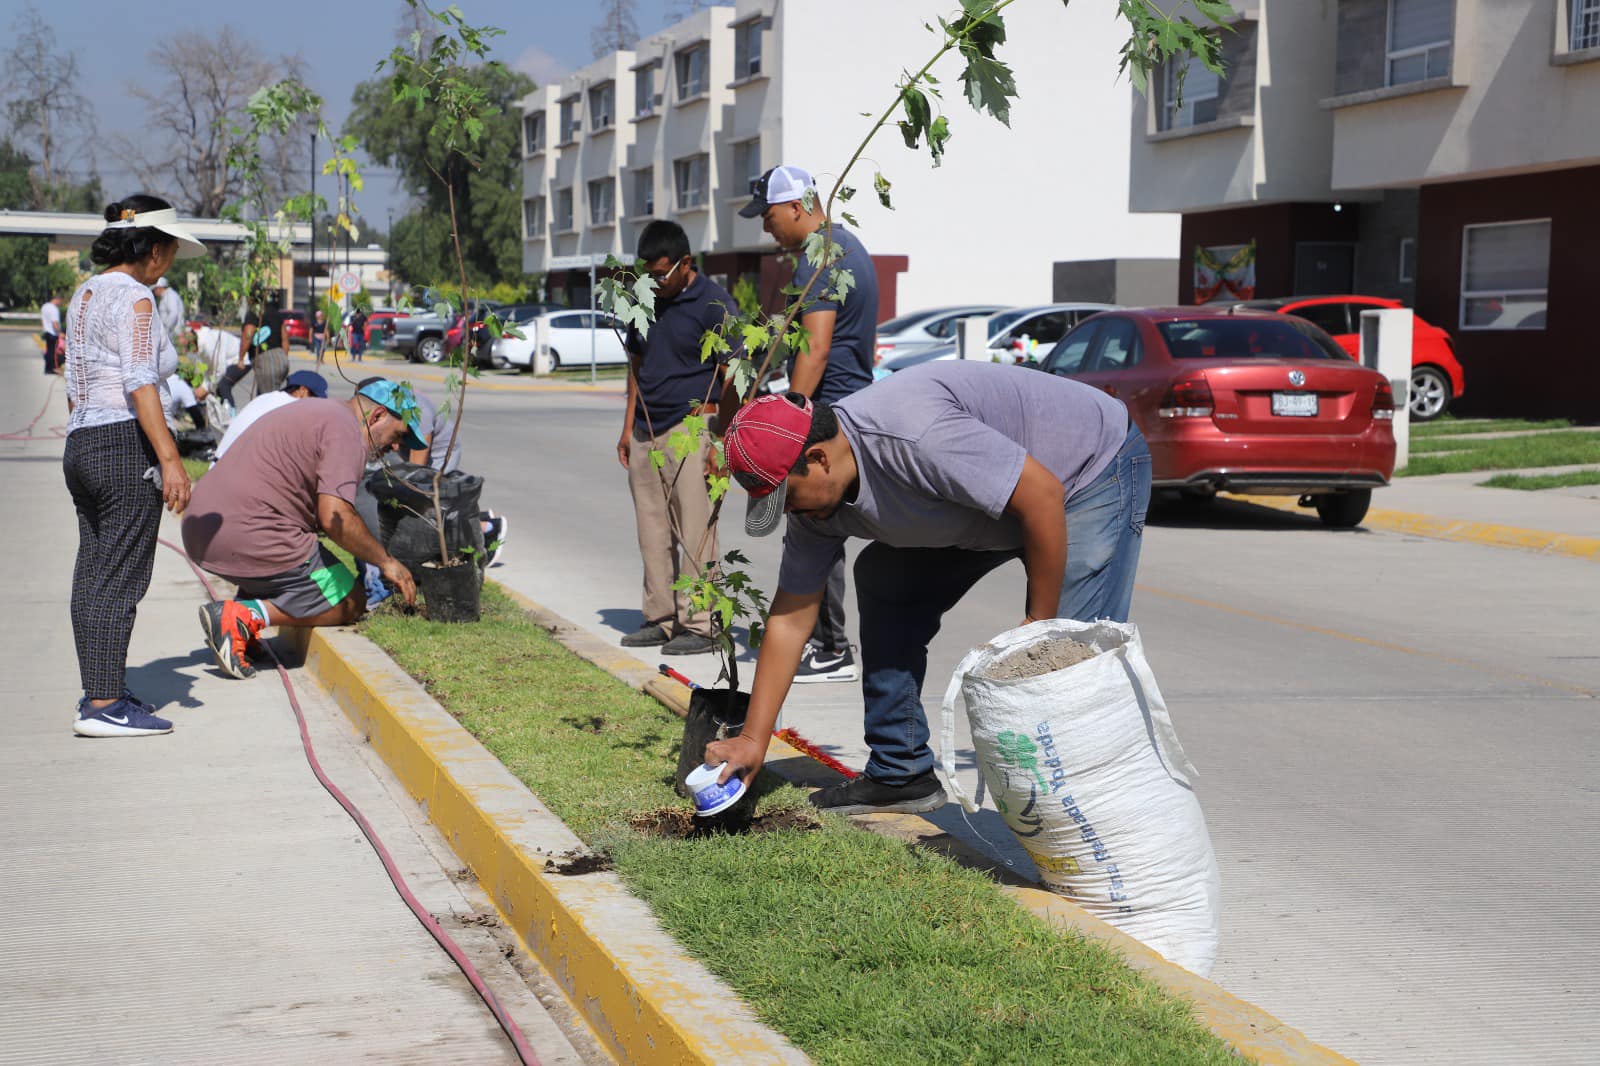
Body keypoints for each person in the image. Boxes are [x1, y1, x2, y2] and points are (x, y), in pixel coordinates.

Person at [703, 361, 1152, 815]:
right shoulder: (815, 503)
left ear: (819, 459)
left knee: (1070, 660)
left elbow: (1041, 495)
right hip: (987, 495)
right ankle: (901, 773)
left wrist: (1038, 627)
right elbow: (790, 617)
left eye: (788, 497)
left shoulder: (915, 436)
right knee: (885, 580)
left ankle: (1102, 814)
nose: (789, 513)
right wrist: (753, 739)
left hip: (1087, 472)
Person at [62, 194, 205, 737]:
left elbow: (78, 381)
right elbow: (140, 382)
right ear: (154, 249)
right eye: (169, 249)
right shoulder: (138, 300)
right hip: (125, 445)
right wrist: (170, 460)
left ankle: (101, 691)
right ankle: (103, 706)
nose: (169, 260)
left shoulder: (85, 293)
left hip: (84, 441)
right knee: (121, 577)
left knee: (94, 573)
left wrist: (84, 441)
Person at [736, 164, 879, 683]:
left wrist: (791, 414)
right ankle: (829, 640)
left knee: (810, 520)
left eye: (770, 215)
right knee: (827, 524)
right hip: (853, 402)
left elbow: (817, 349)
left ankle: (831, 645)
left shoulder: (818, 259)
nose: (766, 226)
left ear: (797, 207)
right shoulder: (850, 246)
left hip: (827, 410)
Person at [180, 379, 425, 679]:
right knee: (349, 599)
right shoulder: (346, 432)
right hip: (247, 531)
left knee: (310, 564)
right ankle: (242, 616)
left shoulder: (321, 411)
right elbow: (336, 517)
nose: (396, 447)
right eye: (398, 435)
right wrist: (387, 563)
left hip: (203, 528)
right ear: (377, 416)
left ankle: (244, 617)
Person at [618, 220, 741, 656]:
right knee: (652, 529)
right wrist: (628, 425)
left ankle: (701, 623)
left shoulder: (713, 303)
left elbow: (736, 373)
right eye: (648, 274)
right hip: (645, 432)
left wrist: (723, 441)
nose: (654, 282)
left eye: (661, 274)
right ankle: (661, 617)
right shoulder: (645, 302)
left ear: (686, 263)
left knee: (695, 530)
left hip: (692, 428)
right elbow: (636, 364)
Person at [213, 370, 329, 460]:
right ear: (302, 390)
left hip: (220, 465)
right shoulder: (292, 408)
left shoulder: (266, 398)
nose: (316, 405)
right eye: (316, 399)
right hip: (235, 470)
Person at [152, 276, 185, 349]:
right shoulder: (166, 296)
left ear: (159, 288)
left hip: (173, 333)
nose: (154, 292)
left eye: (154, 289)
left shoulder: (170, 295)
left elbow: (174, 314)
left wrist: (165, 329)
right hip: (170, 333)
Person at [40, 294, 63, 374]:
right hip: (53, 333)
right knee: (53, 353)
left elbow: (42, 320)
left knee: (49, 351)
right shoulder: (54, 309)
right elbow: (55, 323)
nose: (60, 304)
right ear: (57, 299)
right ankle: (53, 368)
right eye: (61, 301)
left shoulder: (45, 306)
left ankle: (47, 368)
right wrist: (60, 333)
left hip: (47, 332)